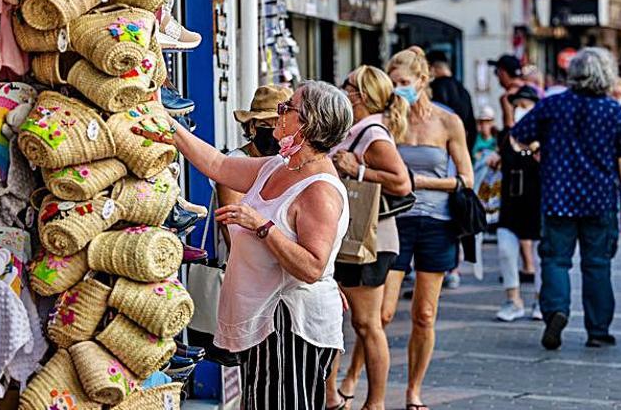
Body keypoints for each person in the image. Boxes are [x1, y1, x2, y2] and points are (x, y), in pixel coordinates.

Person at [173, 80, 352, 409]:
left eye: (287, 108)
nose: (280, 114)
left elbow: (312, 266)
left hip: (290, 325)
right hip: (266, 322)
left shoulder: (319, 190)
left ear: (308, 123)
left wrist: (262, 226)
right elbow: (218, 165)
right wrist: (168, 126)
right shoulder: (278, 167)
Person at [511, 47, 621, 350]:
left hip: (558, 196)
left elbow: (518, 136)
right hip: (600, 199)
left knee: (555, 260)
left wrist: (535, 151)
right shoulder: (614, 111)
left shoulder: (553, 105)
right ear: (606, 75)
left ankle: (556, 311)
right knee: (597, 265)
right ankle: (598, 331)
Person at [383, 46, 474, 410]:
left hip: (438, 222)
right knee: (382, 314)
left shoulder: (448, 122)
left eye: (404, 82)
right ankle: (357, 377)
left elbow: (466, 179)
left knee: (424, 314)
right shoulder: (390, 121)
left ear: (423, 81)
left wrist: (418, 181)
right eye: (393, 83)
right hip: (396, 220)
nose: (398, 89)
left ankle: (413, 389)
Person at [325, 66, 412, 410]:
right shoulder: (356, 129)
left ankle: (374, 403)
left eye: (346, 85)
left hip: (371, 240)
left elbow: (401, 183)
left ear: (360, 95)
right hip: (354, 236)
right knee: (338, 319)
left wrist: (356, 169)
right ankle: (333, 397)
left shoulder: (373, 133)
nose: (342, 90)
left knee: (366, 323)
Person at [490, 86, 543, 322]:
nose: (520, 110)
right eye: (517, 105)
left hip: (536, 204)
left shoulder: (544, 138)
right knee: (505, 251)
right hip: (510, 205)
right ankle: (513, 300)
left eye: (525, 105)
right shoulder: (507, 137)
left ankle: (541, 301)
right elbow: (499, 158)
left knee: (541, 256)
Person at [218, 84, 294, 247]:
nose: (274, 133)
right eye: (266, 126)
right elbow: (231, 228)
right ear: (252, 126)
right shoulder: (236, 164)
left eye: (280, 126)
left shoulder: (290, 162)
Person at [428, 50, 477, 150]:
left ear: (432, 68)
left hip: (440, 149)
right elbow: (472, 127)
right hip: (461, 149)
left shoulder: (433, 88)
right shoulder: (463, 90)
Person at [489, 54, 525, 127]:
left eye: (497, 72)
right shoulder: (534, 90)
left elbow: (510, 128)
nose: (497, 77)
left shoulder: (508, 97)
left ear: (503, 73)